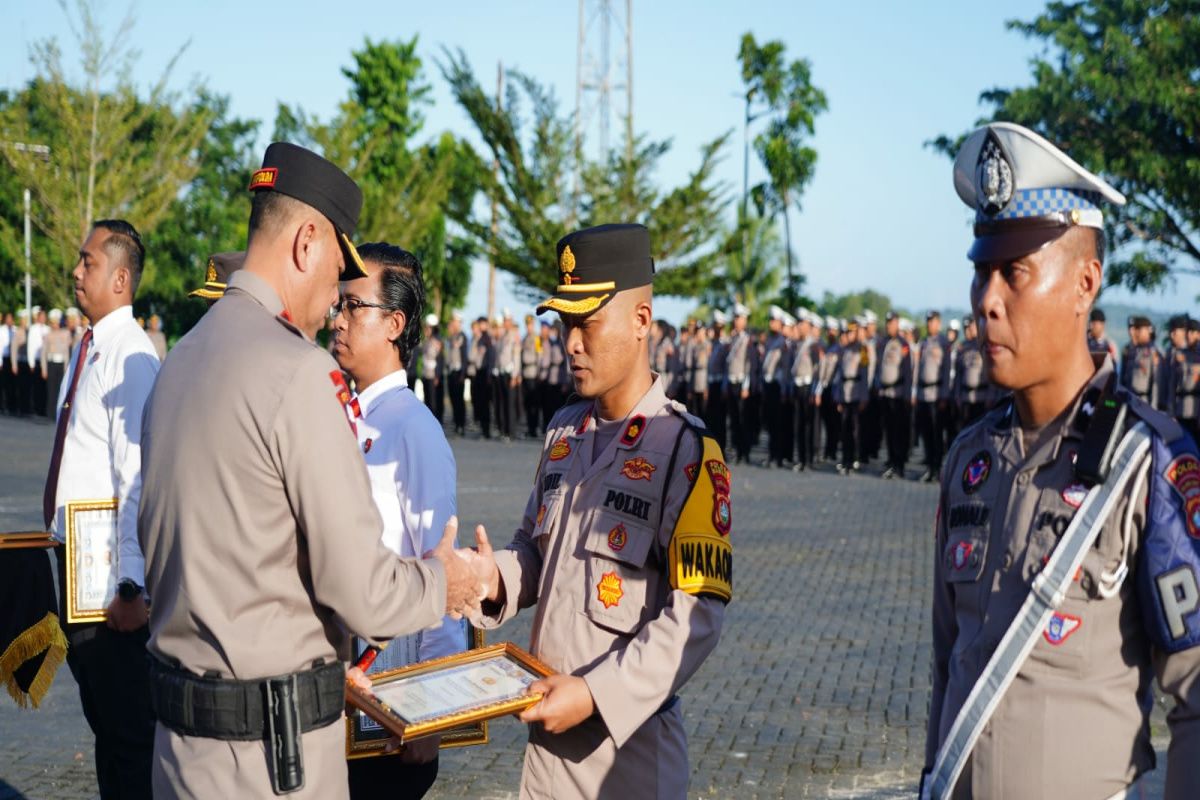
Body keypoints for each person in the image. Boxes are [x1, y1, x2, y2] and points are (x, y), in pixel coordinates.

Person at [137, 142, 480, 799]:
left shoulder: (181, 358)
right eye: (338, 269)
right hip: (269, 758)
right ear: (306, 242)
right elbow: (364, 593)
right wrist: (448, 582)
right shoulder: (298, 371)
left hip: (181, 753)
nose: (337, 295)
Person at [925, 121, 1200, 800]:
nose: (986, 301)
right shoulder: (969, 459)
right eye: (981, 273)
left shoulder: (1149, 463)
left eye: (1014, 272)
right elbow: (944, 668)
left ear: (1085, 282)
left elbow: (1196, 693)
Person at [463, 223, 729, 799]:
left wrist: (594, 694)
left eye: (587, 323)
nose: (570, 343)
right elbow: (538, 553)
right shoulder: (564, 431)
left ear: (640, 321)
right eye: (564, 324)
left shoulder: (685, 450)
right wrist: (491, 578)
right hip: (549, 754)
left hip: (626, 758)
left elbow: (697, 615)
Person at [331, 243, 465, 800]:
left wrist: (431, 712)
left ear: (393, 324)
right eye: (337, 304)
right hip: (337, 699)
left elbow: (444, 578)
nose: (336, 319)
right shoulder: (344, 413)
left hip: (388, 713)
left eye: (352, 307)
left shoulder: (414, 429)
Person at [45, 219, 161, 798]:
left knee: (127, 734)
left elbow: (136, 478)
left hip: (109, 582)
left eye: (87, 261)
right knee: (106, 727)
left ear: (120, 277)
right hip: (76, 567)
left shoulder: (131, 356)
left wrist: (131, 585)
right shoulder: (90, 345)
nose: (75, 271)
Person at [915, 311, 951, 482]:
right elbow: (917, 369)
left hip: (936, 394)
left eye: (932, 321)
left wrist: (944, 395)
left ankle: (937, 468)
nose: (929, 324)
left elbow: (946, 369)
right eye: (928, 321)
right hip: (923, 394)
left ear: (939, 323)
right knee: (926, 433)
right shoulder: (923, 343)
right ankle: (929, 466)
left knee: (937, 434)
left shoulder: (943, 343)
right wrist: (915, 393)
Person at [876, 311, 913, 479]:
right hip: (885, 393)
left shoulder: (902, 344)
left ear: (897, 324)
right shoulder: (884, 342)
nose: (888, 325)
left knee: (898, 431)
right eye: (887, 322)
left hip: (898, 394)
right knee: (889, 431)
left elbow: (907, 371)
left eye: (891, 323)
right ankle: (891, 462)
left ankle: (899, 465)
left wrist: (906, 395)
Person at [725, 303, 759, 464]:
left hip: (741, 382)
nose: (736, 321)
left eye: (739, 318)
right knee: (733, 418)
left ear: (744, 321)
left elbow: (749, 365)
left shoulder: (747, 340)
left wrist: (746, 386)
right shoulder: (732, 339)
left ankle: (744, 451)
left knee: (743, 418)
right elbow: (728, 363)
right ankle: (737, 450)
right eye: (735, 317)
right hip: (731, 381)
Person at [953, 316, 991, 427]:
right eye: (965, 327)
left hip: (981, 397)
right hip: (965, 397)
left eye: (970, 326)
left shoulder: (984, 345)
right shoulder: (962, 348)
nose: (968, 330)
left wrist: (991, 396)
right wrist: (957, 395)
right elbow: (958, 374)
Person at [1119, 316, 1160, 410]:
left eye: (1138, 330)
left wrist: (1153, 408)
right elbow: (1123, 377)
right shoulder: (1130, 350)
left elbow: (1155, 383)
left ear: (1147, 330)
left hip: (1143, 400)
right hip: (1129, 399)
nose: (1135, 333)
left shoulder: (1152, 352)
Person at [40, 308, 72, 418]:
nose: (55, 325)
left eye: (56, 322)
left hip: (61, 363)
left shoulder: (65, 333)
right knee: (51, 389)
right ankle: (50, 413)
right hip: (51, 363)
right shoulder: (48, 335)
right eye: (53, 322)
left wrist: (66, 368)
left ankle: (60, 412)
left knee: (61, 389)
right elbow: (43, 353)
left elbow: (66, 353)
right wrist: (44, 369)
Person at [468, 317, 494, 438]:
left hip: (485, 373)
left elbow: (490, 358)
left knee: (485, 403)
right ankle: (483, 428)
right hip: (479, 372)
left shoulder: (488, 339)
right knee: (480, 402)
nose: (480, 326)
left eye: (482, 324)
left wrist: (489, 374)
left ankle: (486, 430)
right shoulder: (480, 340)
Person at [444, 312, 469, 435]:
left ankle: (461, 425)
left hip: (459, 372)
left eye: (454, 321)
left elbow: (464, 357)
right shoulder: (451, 337)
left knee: (459, 400)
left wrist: (463, 374)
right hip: (451, 371)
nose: (451, 323)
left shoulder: (462, 336)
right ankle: (456, 423)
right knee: (453, 399)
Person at [419, 313, 444, 423]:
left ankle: (435, 421)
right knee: (427, 399)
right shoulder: (427, 340)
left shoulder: (437, 342)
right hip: (426, 373)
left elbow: (440, 360)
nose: (426, 329)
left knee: (434, 401)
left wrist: (437, 375)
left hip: (433, 375)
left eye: (428, 327)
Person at [520, 314, 542, 437]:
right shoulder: (524, 338)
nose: (528, 327)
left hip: (533, 373)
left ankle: (534, 428)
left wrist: (539, 372)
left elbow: (539, 355)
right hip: (525, 374)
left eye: (530, 324)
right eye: (527, 325)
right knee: (527, 403)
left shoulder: (536, 338)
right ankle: (529, 427)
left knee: (534, 403)